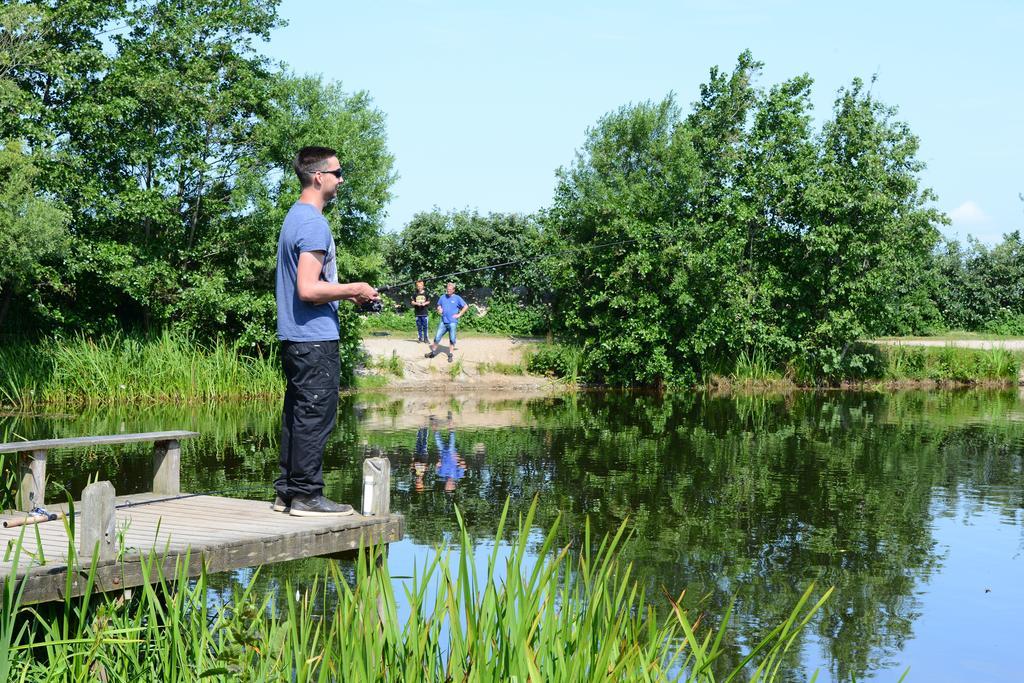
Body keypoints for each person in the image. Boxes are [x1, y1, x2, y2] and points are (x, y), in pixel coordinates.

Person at [274, 145, 379, 517]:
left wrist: (348, 297)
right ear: (318, 177)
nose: (341, 179)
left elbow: (312, 286)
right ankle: (305, 495)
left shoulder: (294, 217)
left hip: (296, 337)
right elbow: (307, 288)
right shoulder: (314, 223)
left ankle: (287, 491)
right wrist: (355, 288)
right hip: (313, 339)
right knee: (315, 415)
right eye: (336, 173)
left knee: (298, 412)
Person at [425, 282, 468, 363]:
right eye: (447, 289)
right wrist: (439, 309)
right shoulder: (442, 297)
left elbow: (466, 306)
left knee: (452, 339)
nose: (448, 291)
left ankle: (450, 354)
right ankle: (433, 353)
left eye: (450, 290)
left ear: (453, 290)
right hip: (443, 322)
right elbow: (438, 305)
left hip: (452, 322)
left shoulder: (457, 298)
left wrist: (459, 314)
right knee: (437, 337)